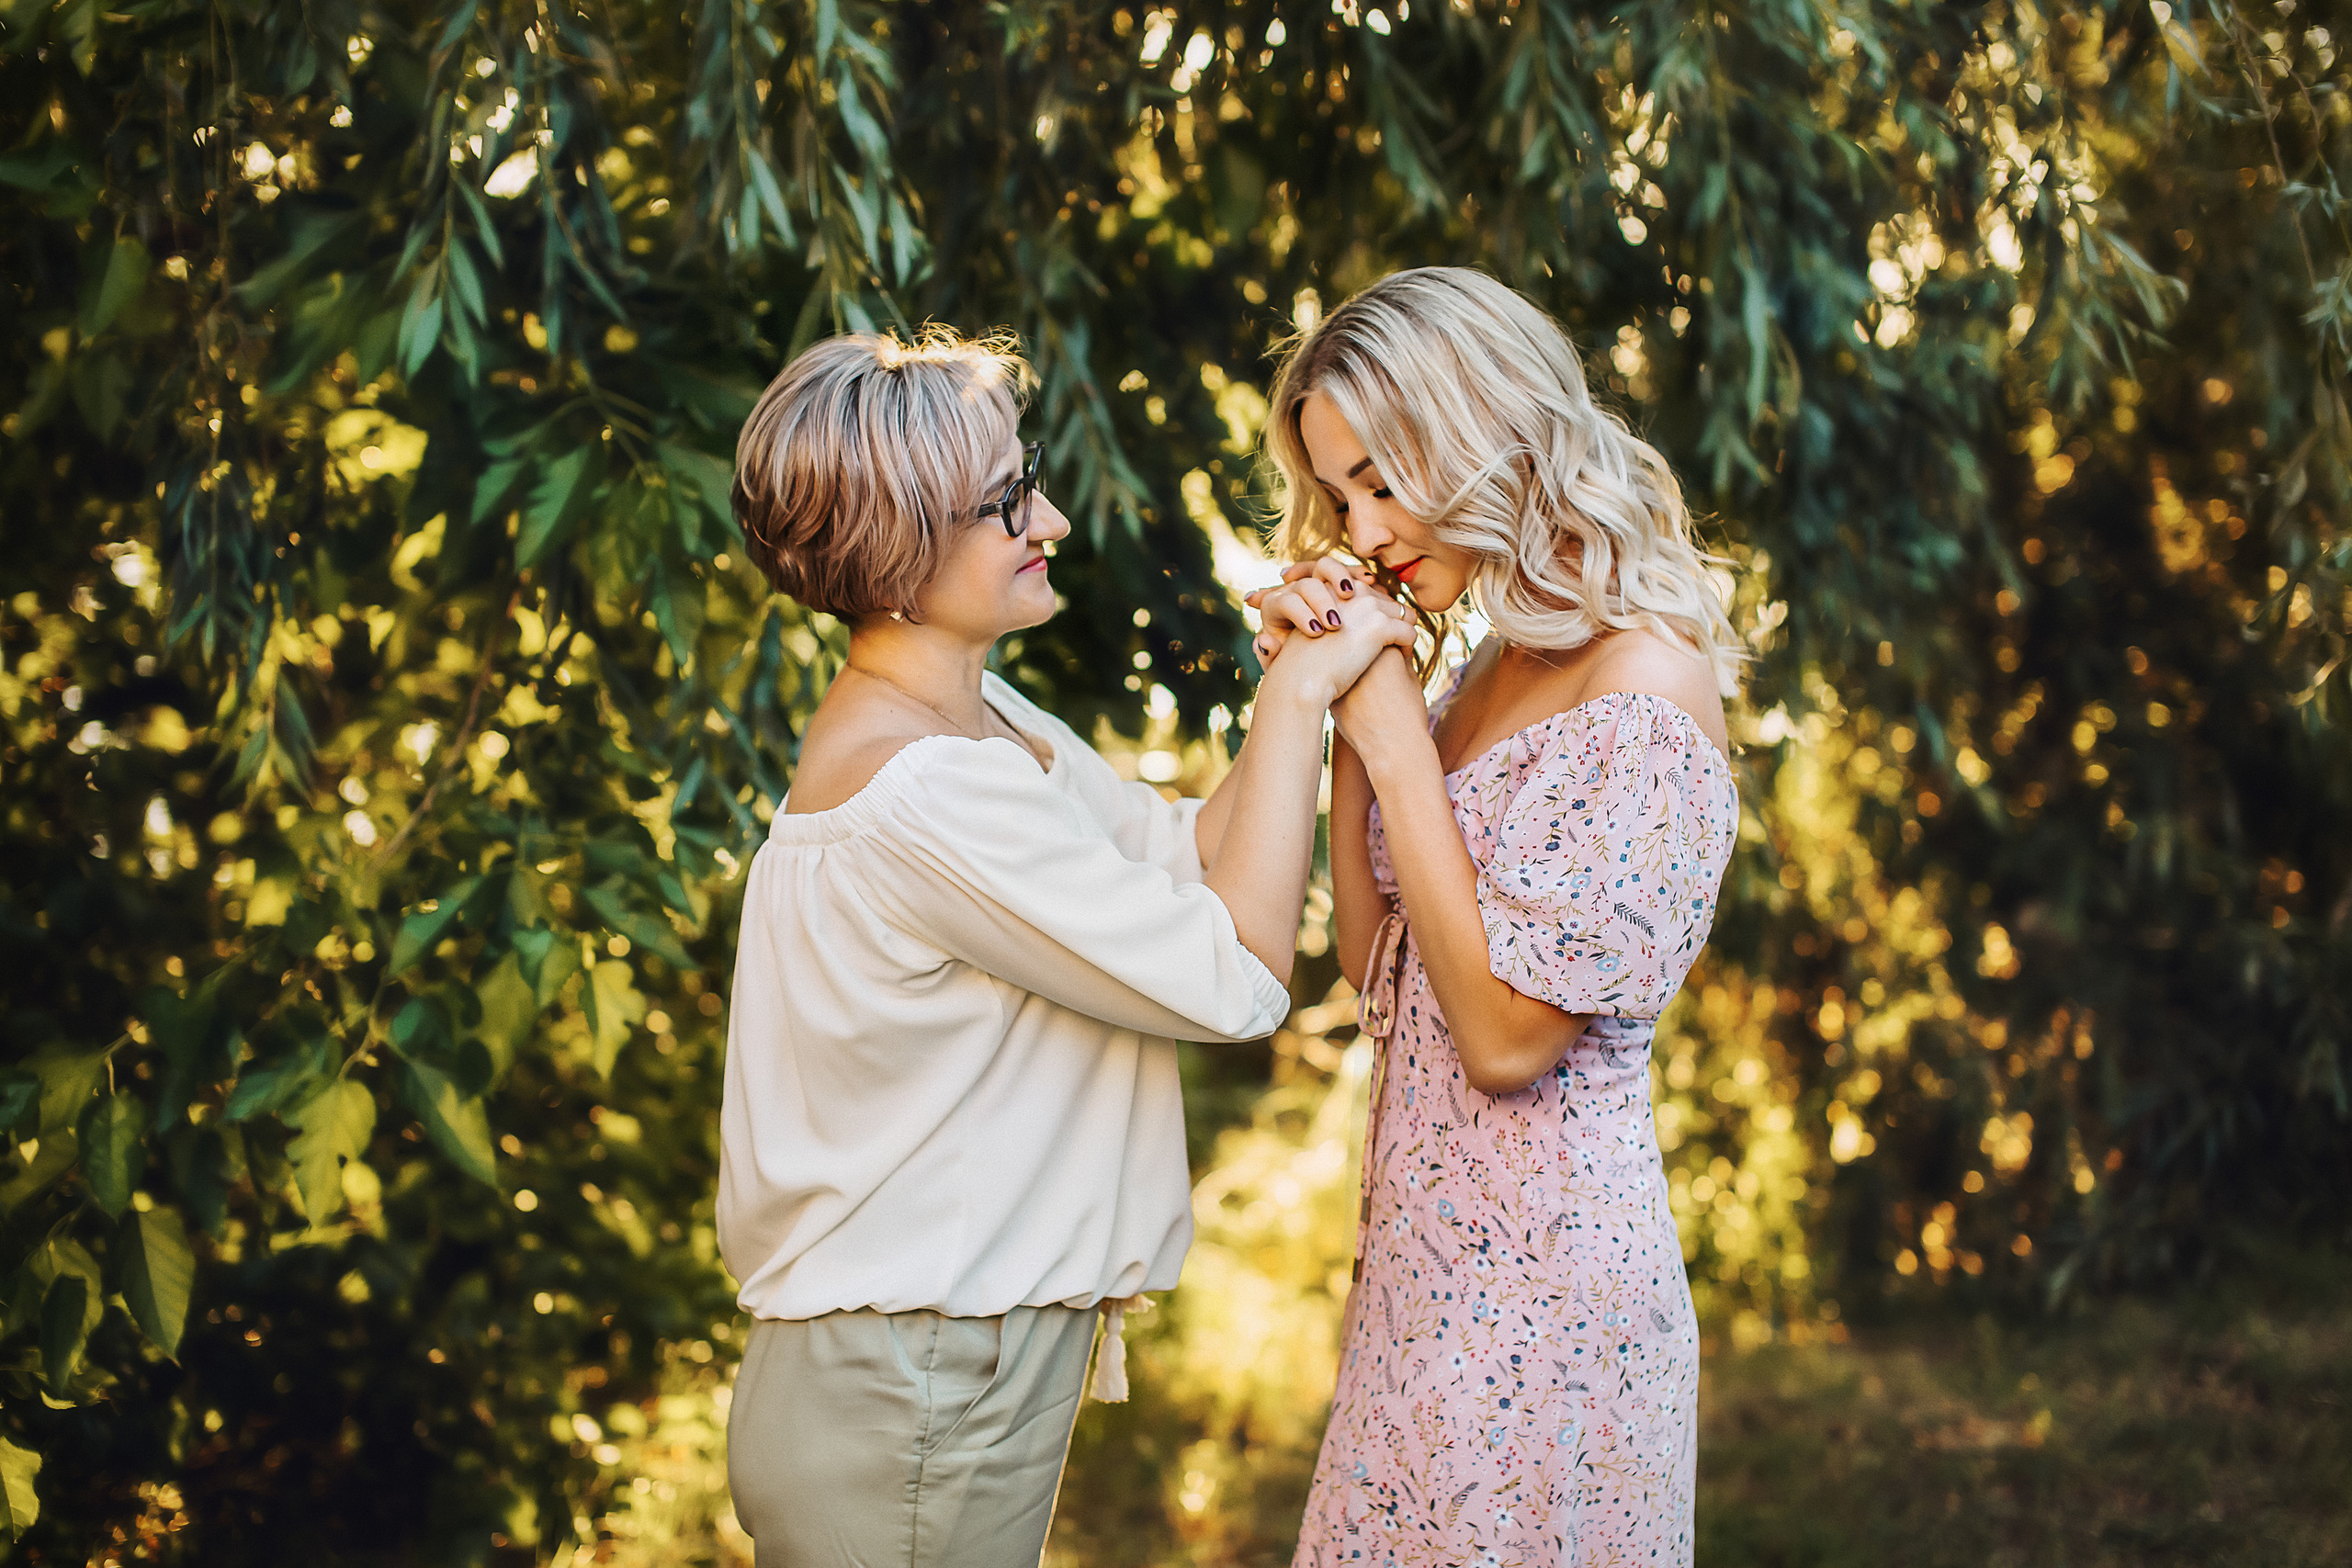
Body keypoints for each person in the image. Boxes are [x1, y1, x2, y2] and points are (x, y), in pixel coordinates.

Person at [716, 326, 1412, 1568]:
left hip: (937, 1374)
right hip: (910, 1383)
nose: (1052, 518)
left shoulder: (988, 727)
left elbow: (1195, 859)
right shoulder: (925, 787)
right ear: (892, 545)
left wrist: (1294, 674)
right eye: (1003, 504)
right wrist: (1305, 699)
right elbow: (1237, 978)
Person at [1248, 267, 1743, 1568]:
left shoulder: (1641, 688)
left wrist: (1401, 745)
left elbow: (1509, 1041)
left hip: (1552, 1313)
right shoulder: (1484, 667)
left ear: (1478, 432)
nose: (1362, 524)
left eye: (1380, 478)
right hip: (1421, 1287)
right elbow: (1382, 970)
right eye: (1340, 491)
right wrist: (1364, 684)